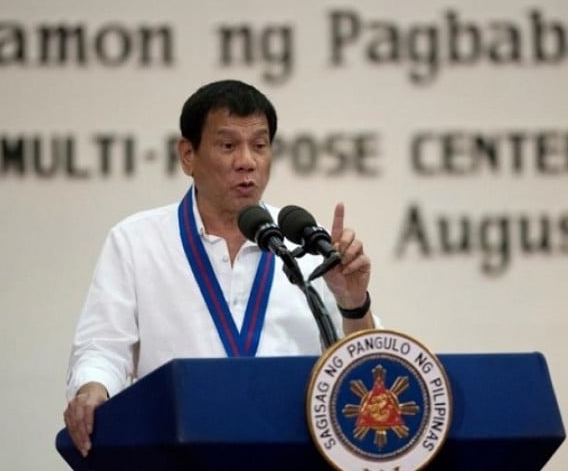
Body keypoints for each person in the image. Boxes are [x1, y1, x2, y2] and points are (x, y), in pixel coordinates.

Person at [62, 79, 380, 457]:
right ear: (187, 155)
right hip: (177, 454)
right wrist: (92, 389)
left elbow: (364, 367)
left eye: (259, 146)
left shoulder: (308, 244)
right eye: (228, 145)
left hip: (295, 454)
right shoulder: (136, 242)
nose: (247, 160)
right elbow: (103, 348)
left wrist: (353, 302)